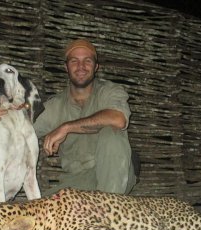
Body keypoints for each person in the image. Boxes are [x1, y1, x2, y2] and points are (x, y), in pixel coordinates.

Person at [33, 38, 137, 195]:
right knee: (36, 212)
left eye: (87, 61)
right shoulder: (54, 107)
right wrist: (0, 113)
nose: (81, 67)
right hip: (77, 181)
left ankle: (108, 211)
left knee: (112, 133)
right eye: (74, 61)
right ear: (66, 67)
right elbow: (21, 129)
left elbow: (119, 119)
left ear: (96, 67)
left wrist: (66, 127)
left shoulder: (109, 91)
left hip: (114, 172)